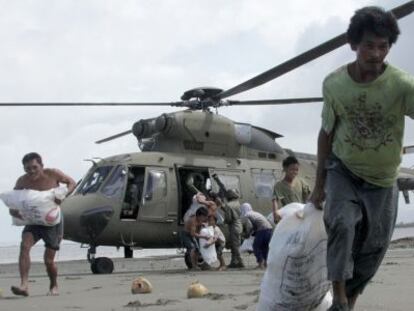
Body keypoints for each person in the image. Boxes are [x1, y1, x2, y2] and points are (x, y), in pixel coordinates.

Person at [309, 6, 414, 311]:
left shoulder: (402, 85)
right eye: (369, 45)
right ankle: (339, 294)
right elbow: (325, 133)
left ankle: (348, 302)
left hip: (383, 180)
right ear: (354, 44)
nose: (376, 54)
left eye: (383, 46)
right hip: (345, 170)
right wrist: (320, 185)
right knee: (341, 223)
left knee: (373, 248)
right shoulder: (334, 84)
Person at [10, 152, 76, 296]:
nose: (31, 171)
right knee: (24, 246)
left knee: (48, 261)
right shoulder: (22, 181)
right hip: (33, 220)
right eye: (27, 169)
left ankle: (54, 285)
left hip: (53, 221)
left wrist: (63, 194)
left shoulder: (53, 174)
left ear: (41, 165)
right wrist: (13, 211)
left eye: (34, 167)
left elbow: (72, 183)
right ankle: (24, 285)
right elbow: (14, 202)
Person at [272, 156, 310, 223]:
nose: (294, 172)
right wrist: (275, 213)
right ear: (285, 169)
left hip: (301, 214)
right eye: (292, 169)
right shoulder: (279, 185)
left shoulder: (301, 182)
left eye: (296, 170)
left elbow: (307, 198)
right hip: (289, 215)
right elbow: (275, 200)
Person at [240, 203, 273, 269]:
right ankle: (266, 263)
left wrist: (247, 234)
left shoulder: (247, 215)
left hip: (262, 230)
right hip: (269, 229)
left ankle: (260, 262)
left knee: (256, 246)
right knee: (265, 247)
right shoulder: (254, 213)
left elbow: (249, 226)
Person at [221, 189, 244, 268]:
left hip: (233, 226)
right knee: (236, 244)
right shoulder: (237, 203)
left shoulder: (228, 205)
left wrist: (224, 221)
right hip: (239, 225)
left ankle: (241, 261)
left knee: (235, 246)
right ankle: (233, 261)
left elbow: (229, 218)